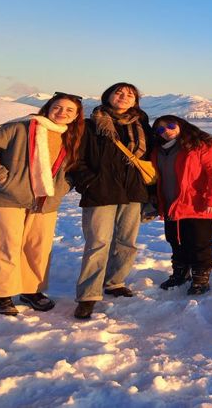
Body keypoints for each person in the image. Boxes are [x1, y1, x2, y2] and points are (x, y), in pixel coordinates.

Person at [0, 92, 85, 316]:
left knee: (37, 248)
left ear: (76, 117)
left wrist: (62, 189)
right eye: (58, 107)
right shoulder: (20, 127)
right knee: (4, 247)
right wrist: (3, 178)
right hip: (8, 198)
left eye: (69, 110)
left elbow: (72, 170)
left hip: (46, 202)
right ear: (48, 108)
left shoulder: (72, 137)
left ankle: (31, 290)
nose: (62, 113)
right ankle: (2, 296)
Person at [69, 82, 152, 319]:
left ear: (135, 101)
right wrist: (88, 182)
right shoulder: (90, 125)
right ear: (108, 96)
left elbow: (152, 158)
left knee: (127, 241)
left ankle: (115, 282)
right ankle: (88, 295)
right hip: (100, 192)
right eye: (119, 92)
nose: (124, 97)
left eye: (130, 94)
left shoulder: (142, 125)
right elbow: (76, 158)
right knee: (98, 243)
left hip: (133, 191)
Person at [151, 115, 212, 295]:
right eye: (161, 130)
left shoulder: (201, 145)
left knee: (199, 243)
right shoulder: (158, 151)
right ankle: (181, 272)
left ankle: (200, 278)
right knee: (175, 241)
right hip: (171, 204)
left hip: (198, 205)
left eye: (170, 125)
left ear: (181, 125)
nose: (166, 131)